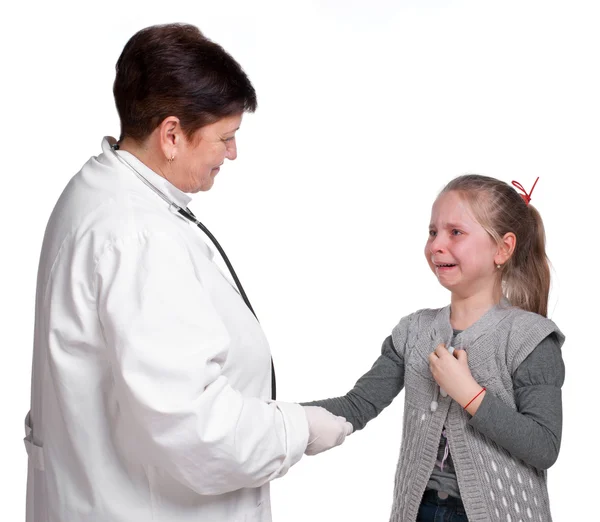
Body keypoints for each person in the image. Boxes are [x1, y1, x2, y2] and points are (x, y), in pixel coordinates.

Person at [23, 23, 352, 522]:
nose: (233, 154)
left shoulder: (96, 193)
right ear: (171, 134)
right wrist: (297, 430)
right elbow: (195, 427)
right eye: (226, 137)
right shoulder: (136, 236)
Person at [304, 174, 565, 521]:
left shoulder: (530, 338)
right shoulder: (414, 331)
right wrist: (272, 415)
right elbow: (357, 405)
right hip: (419, 511)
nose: (436, 245)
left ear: (502, 248)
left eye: (455, 232)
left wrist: (470, 395)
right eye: (432, 232)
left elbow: (544, 446)